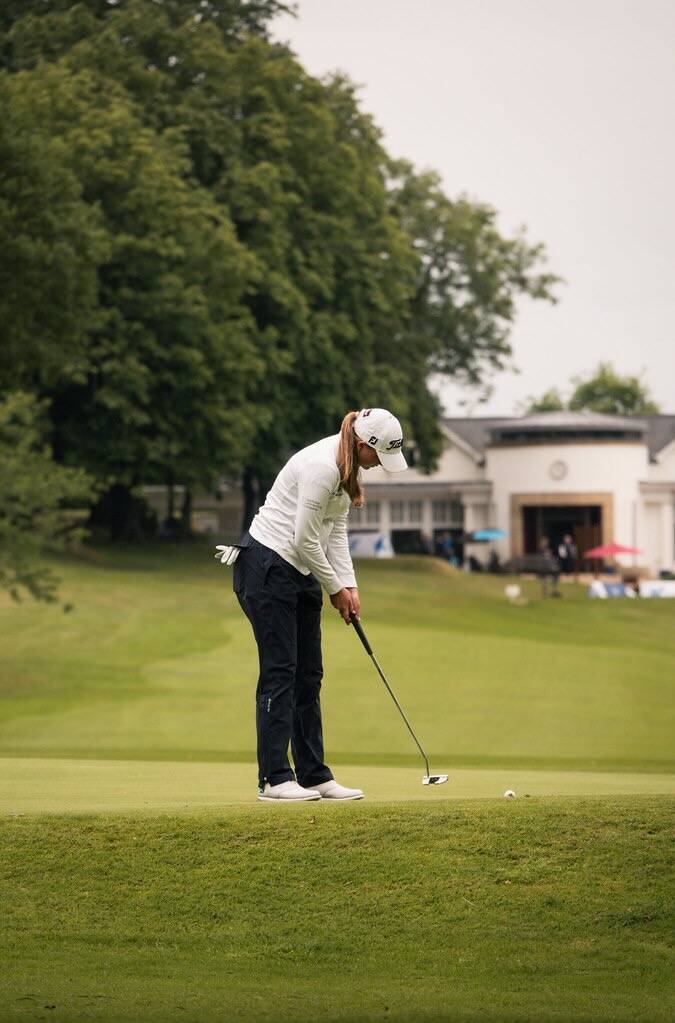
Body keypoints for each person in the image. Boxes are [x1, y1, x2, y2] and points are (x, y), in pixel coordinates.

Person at [219, 408, 407, 803]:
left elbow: (334, 530)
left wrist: (349, 584)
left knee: (309, 674)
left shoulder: (347, 467)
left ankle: (314, 775)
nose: (378, 465)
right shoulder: (322, 468)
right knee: (281, 671)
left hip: (300, 567)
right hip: (267, 566)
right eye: (378, 456)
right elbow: (305, 537)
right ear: (362, 444)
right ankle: (274, 779)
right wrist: (334, 588)